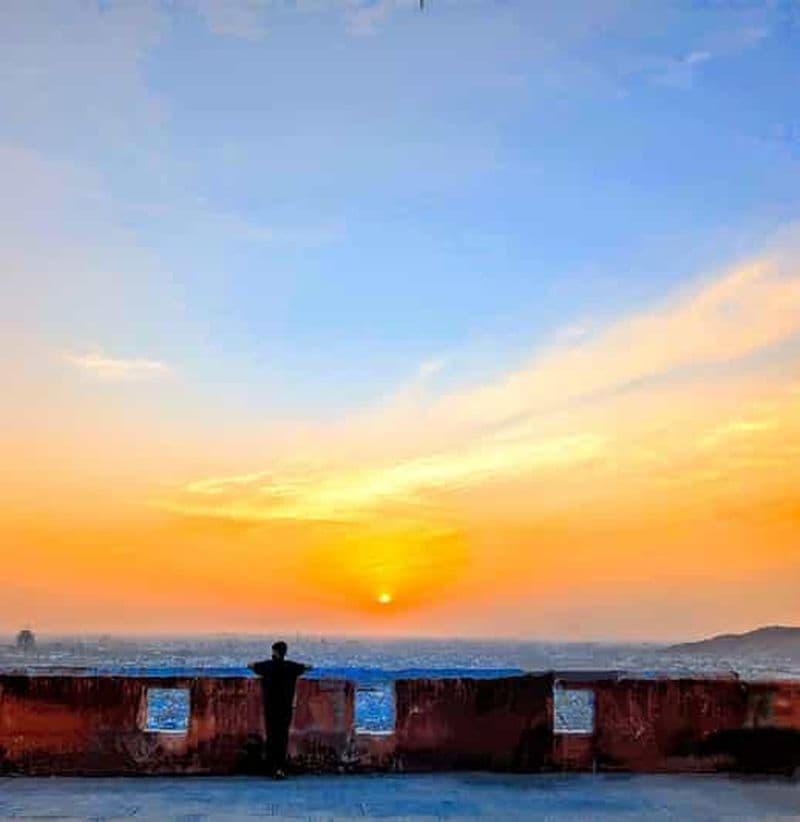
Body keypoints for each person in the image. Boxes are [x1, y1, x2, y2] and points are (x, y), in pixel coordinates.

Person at [249, 641, 312, 778]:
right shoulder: (290, 667)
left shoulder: (267, 666)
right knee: (282, 738)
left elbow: (252, 666)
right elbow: (306, 668)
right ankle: (281, 768)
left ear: (274, 652)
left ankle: (272, 768)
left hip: (271, 707)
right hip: (285, 707)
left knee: (271, 737)